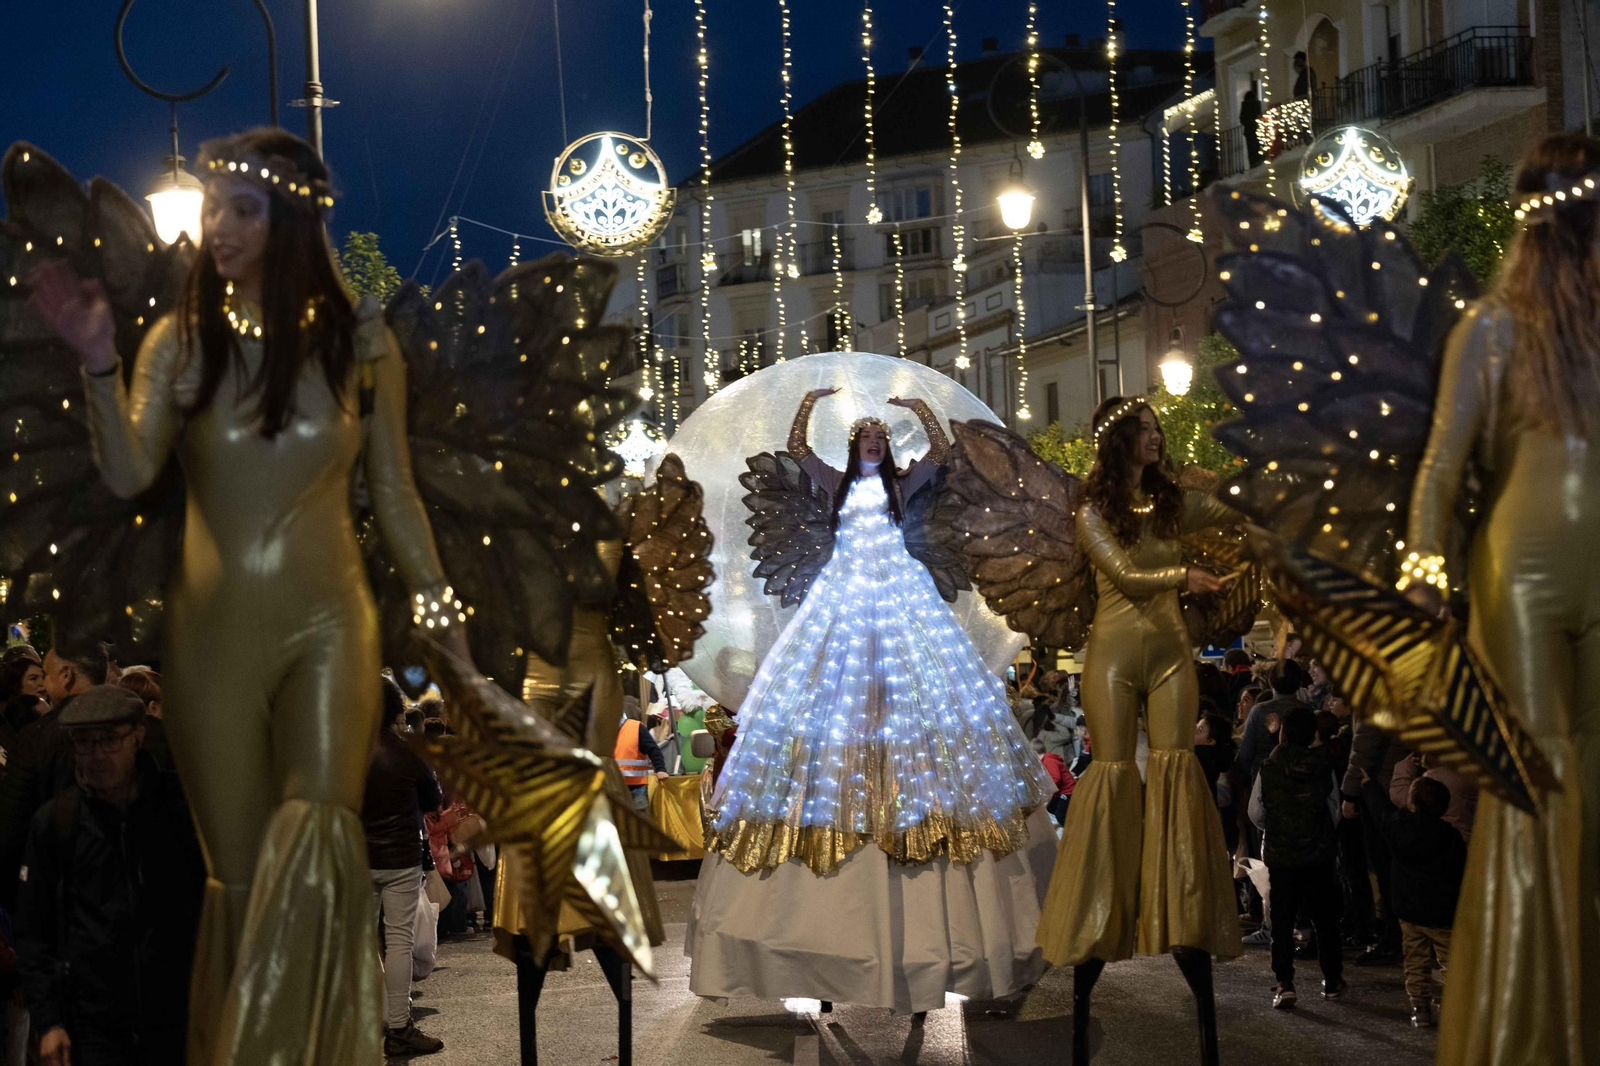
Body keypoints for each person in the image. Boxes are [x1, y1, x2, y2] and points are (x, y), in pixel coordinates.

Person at [26, 127, 458, 1064]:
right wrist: (100, 361)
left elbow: (393, 494)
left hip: (330, 626)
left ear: (291, 220)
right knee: (242, 876)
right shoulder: (180, 343)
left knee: (317, 834)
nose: (217, 226)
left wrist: (438, 602)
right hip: (211, 634)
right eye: (213, 207)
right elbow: (134, 470)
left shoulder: (365, 344)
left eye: (241, 209)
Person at [688, 388, 1055, 1016]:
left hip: (901, 604)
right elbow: (798, 451)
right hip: (844, 604)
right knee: (835, 708)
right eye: (866, 439)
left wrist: (917, 408)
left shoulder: (904, 486)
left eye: (879, 441)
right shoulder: (832, 483)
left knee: (918, 708)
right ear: (854, 445)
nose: (873, 446)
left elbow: (941, 452)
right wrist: (805, 402)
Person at [1400, 133, 1600, 1065]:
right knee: (1543, 789)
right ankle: (1536, 1026)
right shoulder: (1496, 326)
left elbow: (1443, 472)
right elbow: (1441, 468)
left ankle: (1547, 1016)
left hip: (1545, 572)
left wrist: (1428, 572)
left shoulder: (1503, 324)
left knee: (1558, 796)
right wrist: (1427, 573)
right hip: (1522, 576)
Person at [1035, 397, 1241, 1062]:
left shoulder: (1174, 503)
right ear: (1120, 441)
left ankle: (1184, 909)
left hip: (1171, 652)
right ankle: (1099, 914)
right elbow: (1124, 575)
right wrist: (1186, 572)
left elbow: (1236, 507)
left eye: (1158, 430)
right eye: (1146, 431)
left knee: (1179, 767)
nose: (1156, 438)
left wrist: (1271, 480)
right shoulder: (1093, 512)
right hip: (1114, 657)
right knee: (1114, 774)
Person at [14, 686, 205, 1066]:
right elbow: (35, 931)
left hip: (175, 1019)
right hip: (94, 1027)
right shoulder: (57, 822)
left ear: (136, 738)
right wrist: (50, 1021)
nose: (95, 755)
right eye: (83, 743)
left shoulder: (179, 811)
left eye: (107, 740)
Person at [361, 676, 444, 1058]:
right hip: (400, 858)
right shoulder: (408, 751)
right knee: (398, 942)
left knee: (363, 944)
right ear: (397, 711)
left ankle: (367, 1020)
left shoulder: (344, 749)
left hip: (358, 858)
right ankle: (398, 1025)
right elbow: (433, 800)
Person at [1248, 707, 1345, 1009]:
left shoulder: (1270, 767)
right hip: (1319, 853)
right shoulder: (1324, 765)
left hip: (1281, 854)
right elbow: (1335, 809)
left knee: (1281, 920)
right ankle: (1331, 979)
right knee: (1324, 919)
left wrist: (1278, 827)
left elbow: (1256, 812)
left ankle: (1285, 982)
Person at [1359, 770, 1467, 1028]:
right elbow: (1461, 870)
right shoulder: (1451, 837)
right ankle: (1456, 1009)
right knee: (1450, 961)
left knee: (1416, 962)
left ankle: (1421, 1009)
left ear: (1412, 803)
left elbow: (1381, 811)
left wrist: (1369, 784)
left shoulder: (1398, 828)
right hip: (1443, 913)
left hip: (1409, 911)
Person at [1237, 663, 1310, 784]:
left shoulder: (1259, 711)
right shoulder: (1308, 711)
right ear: (1299, 683)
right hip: (1299, 779)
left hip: (1263, 778)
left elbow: (1246, 753)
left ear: (1270, 682)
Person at [1389, 750, 1477, 842]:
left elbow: (1403, 798)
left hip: (1441, 837)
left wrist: (1404, 767)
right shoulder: (1467, 773)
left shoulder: (1433, 779)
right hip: (1468, 837)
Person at [615, 699, 669, 812]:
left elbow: (654, 750)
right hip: (614, 786)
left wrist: (660, 769)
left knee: (640, 820)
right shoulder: (602, 731)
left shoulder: (636, 727)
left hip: (637, 787)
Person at [1240, 82, 1263, 169]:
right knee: (1258, 147)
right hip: (1257, 128)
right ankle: (1259, 162)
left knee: (1251, 149)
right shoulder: (1257, 103)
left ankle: (1253, 165)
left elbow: (1242, 118)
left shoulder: (1245, 105)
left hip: (1248, 130)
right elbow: (1260, 115)